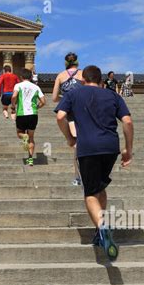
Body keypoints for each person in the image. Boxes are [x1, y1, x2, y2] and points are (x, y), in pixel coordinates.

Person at [55, 64, 134, 262]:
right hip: (110, 147)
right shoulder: (113, 95)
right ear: (101, 81)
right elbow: (128, 122)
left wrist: (70, 138)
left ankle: (102, 225)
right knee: (100, 186)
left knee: (90, 193)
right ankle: (100, 231)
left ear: (83, 80)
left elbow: (60, 116)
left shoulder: (74, 94)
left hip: (88, 147)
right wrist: (128, 150)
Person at [52, 52, 84, 186]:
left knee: (76, 145)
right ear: (77, 62)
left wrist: (65, 100)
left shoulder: (60, 75)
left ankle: (78, 177)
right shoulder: (83, 74)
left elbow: (54, 98)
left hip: (70, 113)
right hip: (84, 110)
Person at [11, 68, 46, 166]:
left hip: (22, 114)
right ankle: (30, 159)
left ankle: (23, 136)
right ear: (31, 77)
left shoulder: (18, 85)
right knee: (31, 137)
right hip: (33, 114)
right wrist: (37, 107)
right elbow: (44, 101)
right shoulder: (36, 87)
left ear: (21, 77)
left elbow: (14, 96)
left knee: (19, 133)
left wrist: (13, 106)